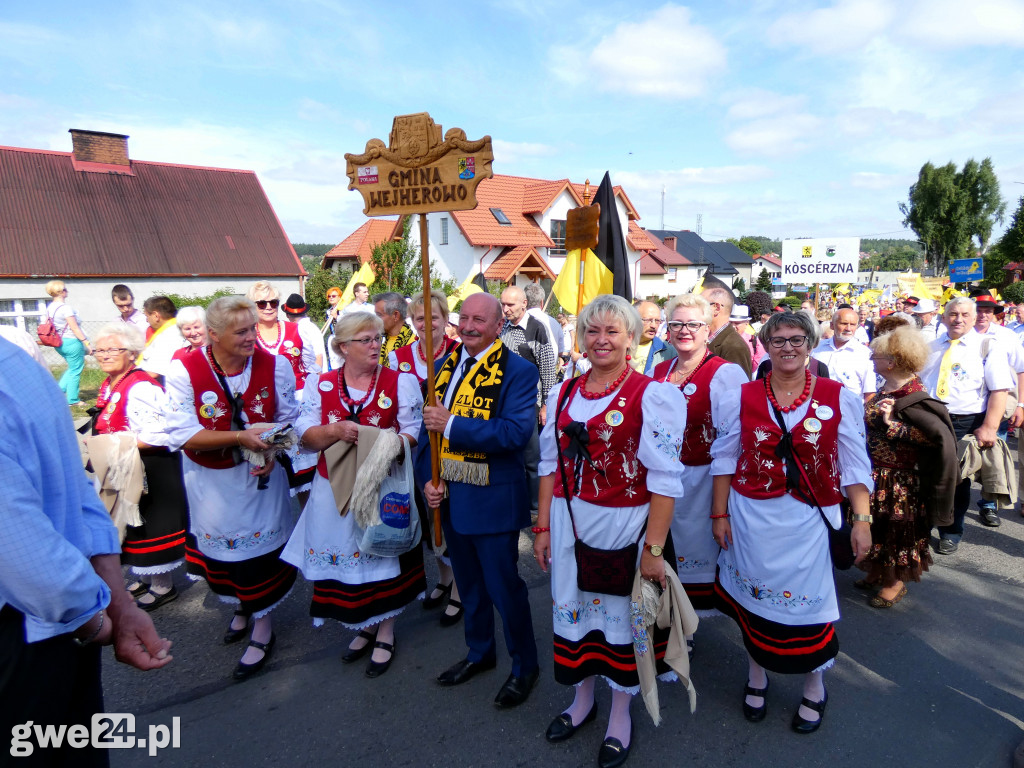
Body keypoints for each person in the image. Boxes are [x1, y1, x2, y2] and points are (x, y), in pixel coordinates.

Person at [0, 337, 172, 767]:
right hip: (60, 616)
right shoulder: (17, 361)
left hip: (28, 626)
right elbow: (80, 494)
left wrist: (94, 620)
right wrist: (118, 604)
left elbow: (22, 551)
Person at [533, 295, 685, 767]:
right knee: (575, 610)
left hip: (626, 524)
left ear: (633, 338)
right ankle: (582, 700)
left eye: (612, 331)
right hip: (567, 522)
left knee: (622, 619)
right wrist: (540, 526)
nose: (601, 340)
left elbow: (665, 481)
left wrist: (654, 550)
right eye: (593, 331)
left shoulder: (653, 394)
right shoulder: (564, 391)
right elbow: (547, 464)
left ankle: (621, 710)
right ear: (581, 336)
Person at [712, 309, 873, 734]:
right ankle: (757, 674)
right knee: (754, 603)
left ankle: (815, 684)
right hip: (751, 516)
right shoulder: (743, 396)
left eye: (797, 339)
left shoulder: (838, 396)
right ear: (765, 344)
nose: (787, 347)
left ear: (810, 344)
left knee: (809, 610)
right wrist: (719, 512)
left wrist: (861, 520)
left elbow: (856, 466)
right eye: (778, 340)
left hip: (810, 521)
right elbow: (725, 459)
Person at [282, 312, 425, 678]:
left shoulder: (401, 382)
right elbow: (306, 438)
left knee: (383, 554)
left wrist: (384, 446)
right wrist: (333, 430)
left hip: (383, 488)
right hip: (334, 490)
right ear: (342, 347)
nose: (376, 344)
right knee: (350, 560)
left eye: (378, 337)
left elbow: (412, 431)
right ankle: (365, 624)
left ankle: (386, 630)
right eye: (365, 339)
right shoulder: (322, 383)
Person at [164, 296, 300, 679]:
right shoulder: (183, 369)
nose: (251, 337)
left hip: (260, 481)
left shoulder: (276, 365)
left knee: (258, 557)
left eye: (253, 328)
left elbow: (290, 420)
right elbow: (183, 434)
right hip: (211, 483)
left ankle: (262, 628)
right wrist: (241, 437)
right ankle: (242, 606)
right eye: (240, 331)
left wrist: (273, 449)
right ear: (212, 335)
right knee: (225, 553)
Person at [420, 292, 540, 709]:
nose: (468, 326)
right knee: (469, 587)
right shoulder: (444, 365)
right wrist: (427, 483)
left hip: (492, 499)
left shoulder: (518, 371)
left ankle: (525, 667)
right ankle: (480, 653)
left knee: (504, 590)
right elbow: (426, 434)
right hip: (451, 495)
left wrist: (453, 424)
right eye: (464, 318)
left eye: (479, 319)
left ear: (497, 325)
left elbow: (514, 435)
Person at [652, 295, 747, 643]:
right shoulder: (659, 370)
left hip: (703, 481)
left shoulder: (725, 373)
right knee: (665, 552)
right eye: (676, 324)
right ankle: (676, 628)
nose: (684, 331)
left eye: (693, 324)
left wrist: (720, 506)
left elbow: (732, 441)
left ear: (708, 329)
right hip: (662, 483)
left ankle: (689, 626)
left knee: (698, 555)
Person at [88, 325, 188, 612]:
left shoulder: (141, 386)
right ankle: (144, 576)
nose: (104, 355)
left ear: (131, 354)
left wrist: (117, 443)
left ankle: (162, 585)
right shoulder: (113, 382)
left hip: (148, 467)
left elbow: (160, 432)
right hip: (122, 464)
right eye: (100, 350)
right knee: (128, 522)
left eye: (112, 350)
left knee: (147, 524)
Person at [861, 327, 956, 608]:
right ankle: (877, 570)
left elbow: (937, 439)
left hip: (901, 481)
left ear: (892, 361)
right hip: (877, 475)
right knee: (876, 525)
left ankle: (894, 581)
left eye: (876, 355)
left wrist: (894, 426)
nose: (871, 358)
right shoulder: (887, 388)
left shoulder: (914, 395)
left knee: (897, 530)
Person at [390, 290, 463, 625]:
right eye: (420, 318)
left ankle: (461, 587)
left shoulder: (459, 353)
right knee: (427, 515)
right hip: (415, 449)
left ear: (445, 320)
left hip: (451, 447)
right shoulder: (399, 356)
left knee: (450, 515)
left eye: (433, 317)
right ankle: (444, 577)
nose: (427, 324)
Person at [921, 297, 1013, 552]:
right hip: (928, 419)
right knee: (924, 476)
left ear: (973, 319)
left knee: (956, 481)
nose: (958, 319)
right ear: (943, 316)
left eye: (964, 314)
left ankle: (951, 531)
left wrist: (990, 427)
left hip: (963, 422)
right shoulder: (930, 346)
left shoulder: (987, 346)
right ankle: (921, 526)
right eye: (952, 314)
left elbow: (1000, 389)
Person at [248, 282, 317, 498]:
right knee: (272, 481)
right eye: (261, 303)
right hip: (263, 410)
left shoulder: (297, 329)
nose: (268, 307)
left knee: (306, 482)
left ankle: (308, 529)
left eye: (274, 303)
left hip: (297, 406)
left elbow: (311, 366)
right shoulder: (247, 335)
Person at [500, 285, 558, 517]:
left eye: (510, 305)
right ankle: (516, 501)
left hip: (529, 403)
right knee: (510, 455)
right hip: (503, 402)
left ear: (524, 303)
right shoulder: (501, 327)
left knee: (532, 456)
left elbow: (547, 371)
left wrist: (546, 404)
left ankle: (535, 507)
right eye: (503, 304)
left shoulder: (537, 328)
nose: (505, 309)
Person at [811, 308, 877, 399]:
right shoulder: (816, 348)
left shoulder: (864, 354)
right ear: (832, 325)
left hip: (848, 410)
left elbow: (870, 393)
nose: (848, 328)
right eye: (843, 324)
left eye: (853, 325)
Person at [44, 279, 91, 405]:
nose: (67, 291)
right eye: (65, 289)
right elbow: (75, 328)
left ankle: (58, 393)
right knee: (76, 370)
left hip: (59, 343)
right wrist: (86, 343)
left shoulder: (50, 308)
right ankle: (73, 399)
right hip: (71, 342)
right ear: (60, 292)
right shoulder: (66, 308)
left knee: (72, 368)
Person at [701, 286, 753, 378]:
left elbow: (737, 388)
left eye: (700, 305)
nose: (695, 310)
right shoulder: (708, 337)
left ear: (716, 308)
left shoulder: (734, 346)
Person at [139, 296, 186, 380]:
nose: (146, 320)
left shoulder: (169, 336)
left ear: (156, 316)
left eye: (147, 316)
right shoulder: (169, 331)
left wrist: (129, 378)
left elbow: (154, 372)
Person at [282, 293, 326, 374]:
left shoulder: (300, 329)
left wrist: (315, 379)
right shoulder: (312, 327)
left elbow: (318, 357)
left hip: (309, 378)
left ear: (287, 315)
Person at [633, 300, 677, 375]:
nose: (653, 326)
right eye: (647, 320)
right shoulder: (618, 347)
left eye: (657, 321)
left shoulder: (669, 352)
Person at [374, 291, 416, 367]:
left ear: (396, 315)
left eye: (379, 315)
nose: (375, 319)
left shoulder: (413, 345)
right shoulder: (377, 341)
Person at [524, 282, 563, 363]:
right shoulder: (554, 323)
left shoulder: (520, 321)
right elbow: (561, 351)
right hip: (550, 369)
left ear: (525, 302)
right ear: (542, 302)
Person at [729, 304, 765, 372]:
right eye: (730, 323)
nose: (733, 326)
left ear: (747, 323)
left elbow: (758, 362)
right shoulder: (722, 340)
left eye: (737, 323)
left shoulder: (755, 341)